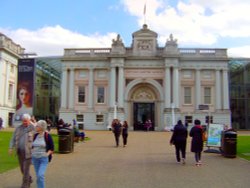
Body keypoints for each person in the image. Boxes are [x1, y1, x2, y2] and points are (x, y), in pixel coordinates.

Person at [9, 113, 35, 188]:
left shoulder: (33, 128)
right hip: (20, 151)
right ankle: (29, 179)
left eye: (26, 121)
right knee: (22, 169)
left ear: (29, 120)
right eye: (23, 121)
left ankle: (25, 185)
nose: (24, 123)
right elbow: (13, 138)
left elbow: (42, 131)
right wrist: (10, 147)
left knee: (26, 169)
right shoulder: (18, 128)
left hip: (29, 152)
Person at [32, 120, 54, 188]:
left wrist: (47, 154)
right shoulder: (35, 135)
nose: (36, 126)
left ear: (41, 127)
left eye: (37, 126)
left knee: (40, 175)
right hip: (35, 158)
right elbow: (32, 146)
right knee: (38, 176)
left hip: (43, 159)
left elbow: (52, 148)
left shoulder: (47, 136)